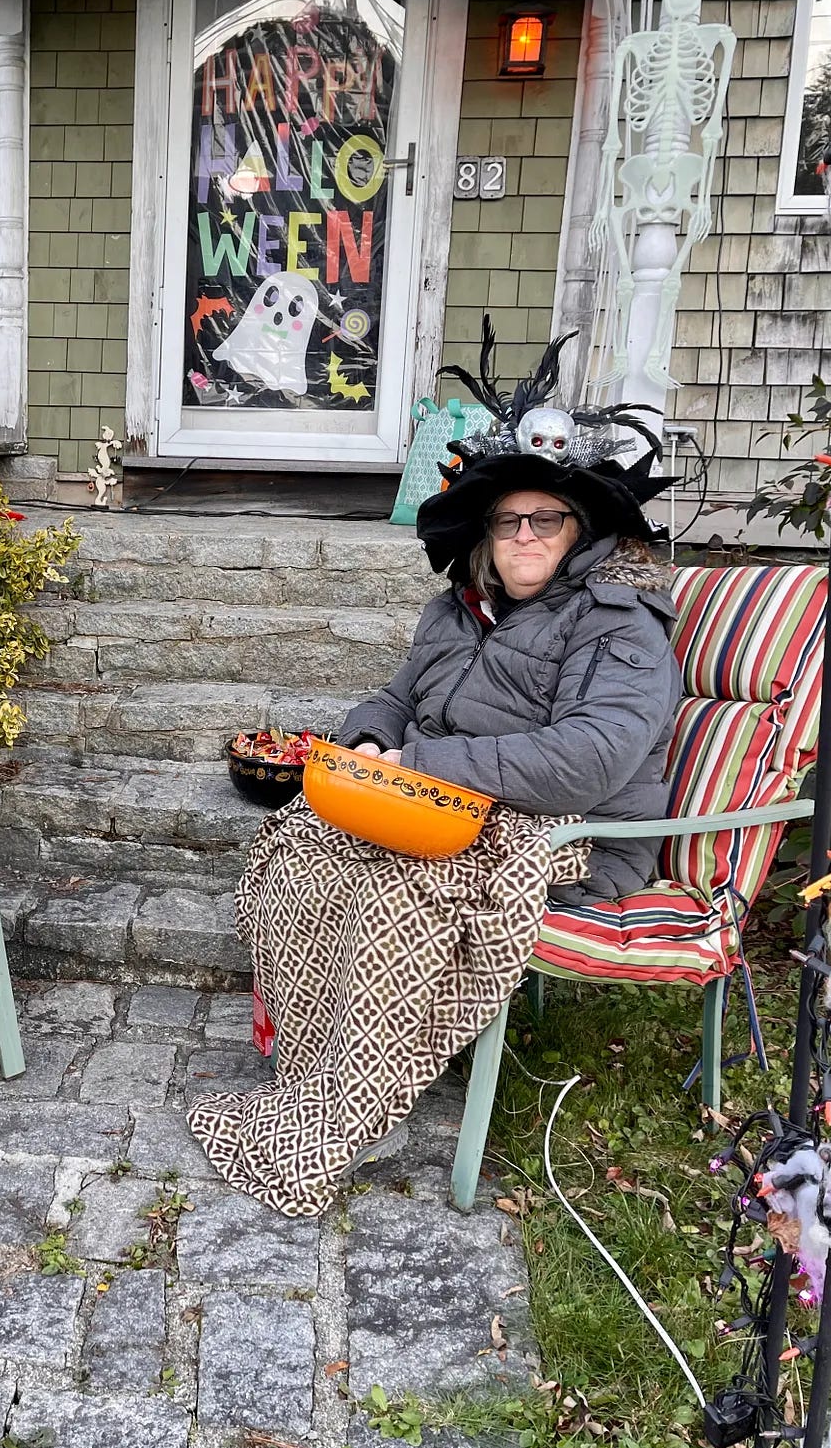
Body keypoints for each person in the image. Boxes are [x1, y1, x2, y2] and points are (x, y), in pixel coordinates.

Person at [188, 324, 683, 1214]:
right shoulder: (457, 610)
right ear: (487, 532)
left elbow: (590, 758)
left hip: (569, 830)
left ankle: (341, 1104)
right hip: (434, 804)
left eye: (545, 518)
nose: (524, 534)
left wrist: (422, 763)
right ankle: (311, 1059)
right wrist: (368, 744)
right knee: (300, 845)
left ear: (579, 529)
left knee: (399, 895)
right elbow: (394, 697)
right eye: (508, 520)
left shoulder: (617, 620)